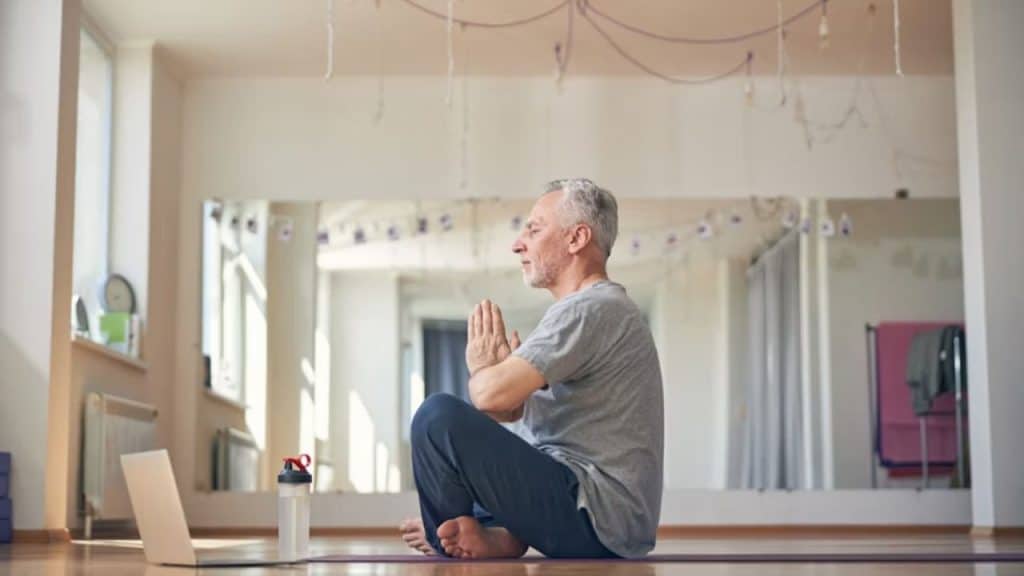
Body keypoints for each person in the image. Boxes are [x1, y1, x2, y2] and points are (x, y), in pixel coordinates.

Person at [400, 178, 664, 559]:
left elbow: (489, 395)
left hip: (593, 512)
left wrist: (483, 367)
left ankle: (452, 537)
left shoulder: (591, 309)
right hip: (596, 515)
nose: (518, 243)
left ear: (576, 239)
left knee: (435, 416)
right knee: (463, 434)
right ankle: (493, 533)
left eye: (534, 230)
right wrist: (504, 385)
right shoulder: (592, 311)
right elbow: (504, 411)